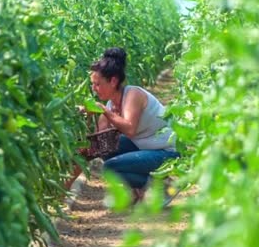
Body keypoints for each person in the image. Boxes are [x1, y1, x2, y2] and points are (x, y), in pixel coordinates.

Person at [65, 47, 179, 205]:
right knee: (104, 147)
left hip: (167, 152)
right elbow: (97, 144)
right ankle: (138, 189)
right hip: (147, 150)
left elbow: (130, 129)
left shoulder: (133, 95)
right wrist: (86, 119)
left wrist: (104, 111)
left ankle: (163, 185)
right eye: (93, 84)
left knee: (110, 167)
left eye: (97, 84)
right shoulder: (111, 104)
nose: (94, 89)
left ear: (113, 81)